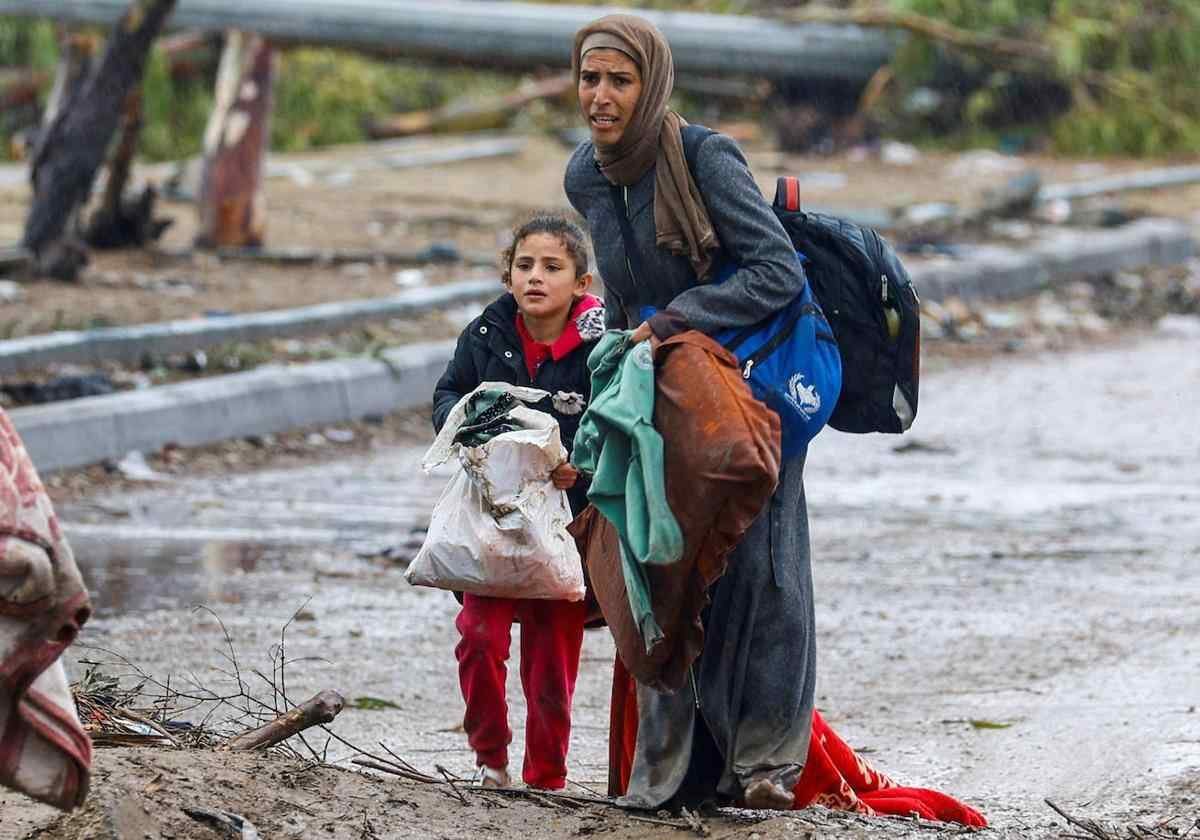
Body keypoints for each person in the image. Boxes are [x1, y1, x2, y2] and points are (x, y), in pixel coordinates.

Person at [563, 14, 816, 810]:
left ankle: (769, 762)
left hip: (748, 387)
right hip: (661, 391)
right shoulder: (587, 177)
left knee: (762, 567)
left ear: (653, 86)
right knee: (661, 564)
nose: (601, 97)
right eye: (590, 79)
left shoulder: (706, 158)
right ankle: (677, 770)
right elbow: (626, 290)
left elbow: (776, 271)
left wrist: (674, 320)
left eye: (620, 80)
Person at [431, 213, 605, 790]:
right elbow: (450, 393)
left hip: (566, 527)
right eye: (524, 265)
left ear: (581, 283)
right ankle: (490, 758)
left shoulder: (600, 346)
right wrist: (466, 429)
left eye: (552, 267)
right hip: (493, 517)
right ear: (508, 277)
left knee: (551, 658)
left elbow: (618, 415)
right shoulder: (485, 335)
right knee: (478, 636)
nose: (536, 277)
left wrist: (582, 464)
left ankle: (547, 776)